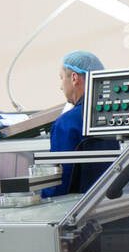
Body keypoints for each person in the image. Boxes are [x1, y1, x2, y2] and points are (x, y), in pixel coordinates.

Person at [42, 50, 120, 197]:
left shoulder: (67, 123)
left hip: (82, 211)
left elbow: (61, 178)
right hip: (118, 206)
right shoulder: (120, 117)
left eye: (61, 78)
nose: (60, 86)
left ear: (74, 78)